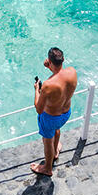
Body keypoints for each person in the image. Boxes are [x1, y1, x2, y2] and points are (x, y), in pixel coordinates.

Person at [31, 47, 78, 177]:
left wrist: (37, 90)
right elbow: (61, 79)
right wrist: (51, 67)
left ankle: (47, 168)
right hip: (65, 114)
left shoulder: (47, 85)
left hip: (50, 119)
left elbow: (39, 109)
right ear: (62, 60)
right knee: (57, 130)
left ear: (50, 62)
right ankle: (56, 151)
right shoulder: (72, 72)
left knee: (47, 141)